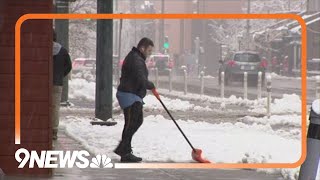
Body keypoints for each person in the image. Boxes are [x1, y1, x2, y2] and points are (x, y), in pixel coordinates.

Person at [114, 37, 155, 162]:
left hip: (133, 95)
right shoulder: (136, 59)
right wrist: (150, 85)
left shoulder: (136, 57)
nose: (149, 54)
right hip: (129, 95)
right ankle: (124, 152)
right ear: (142, 48)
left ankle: (124, 149)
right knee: (132, 122)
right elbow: (140, 78)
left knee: (135, 122)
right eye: (149, 51)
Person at [52, 30, 72, 140]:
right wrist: (60, 74)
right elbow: (68, 66)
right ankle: (54, 130)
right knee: (55, 107)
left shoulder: (43, 48)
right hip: (57, 83)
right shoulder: (63, 51)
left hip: (44, 82)